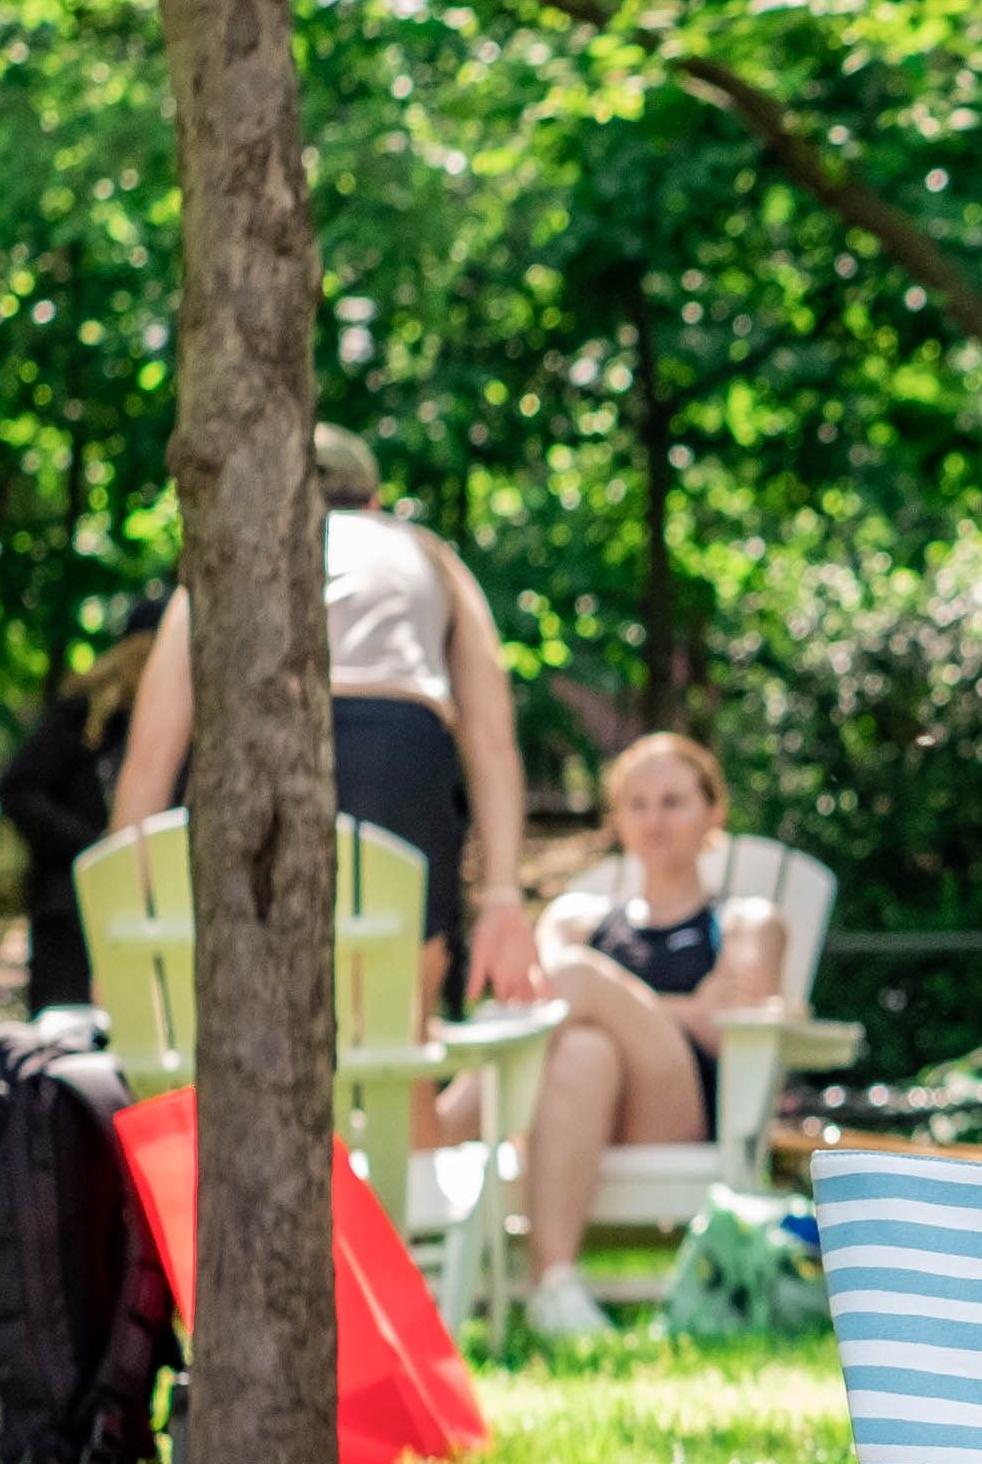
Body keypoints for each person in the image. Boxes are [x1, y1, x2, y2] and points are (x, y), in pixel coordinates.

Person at [112, 427, 539, 1008]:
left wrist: (116, 936)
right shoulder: (426, 553)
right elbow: (491, 740)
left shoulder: (233, 555)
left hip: (257, 741)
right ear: (373, 501)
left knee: (244, 1014)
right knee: (394, 1028)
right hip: (397, 752)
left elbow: (151, 756)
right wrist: (502, 897)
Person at [496, 731, 787, 1338]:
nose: (654, 819)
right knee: (583, 1048)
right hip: (578, 1107)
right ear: (618, 820)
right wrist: (684, 1005)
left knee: (575, 978)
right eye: (638, 803)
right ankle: (555, 1290)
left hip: (676, 1109)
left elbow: (718, 1030)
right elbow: (536, 1008)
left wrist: (606, 997)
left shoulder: (741, 921)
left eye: (674, 801)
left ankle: (454, 1118)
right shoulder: (577, 917)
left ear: (714, 811)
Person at [0, 590, 164, 1011]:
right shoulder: (81, 718)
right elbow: (19, 790)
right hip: (70, 911)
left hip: (145, 907)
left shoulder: (169, 725)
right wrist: (93, 843)